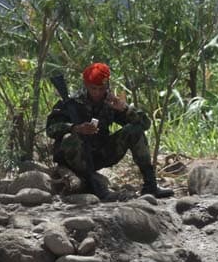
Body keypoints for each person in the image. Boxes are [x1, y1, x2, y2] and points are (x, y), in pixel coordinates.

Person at [45, 62, 173, 200]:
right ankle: (90, 182)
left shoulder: (110, 103)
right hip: (75, 157)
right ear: (86, 86)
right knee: (70, 138)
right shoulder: (71, 103)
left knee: (134, 130)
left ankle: (150, 185)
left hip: (100, 154)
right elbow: (51, 129)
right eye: (94, 88)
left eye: (102, 88)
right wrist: (75, 128)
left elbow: (144, 124)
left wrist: (125, 109)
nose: (98, 93)